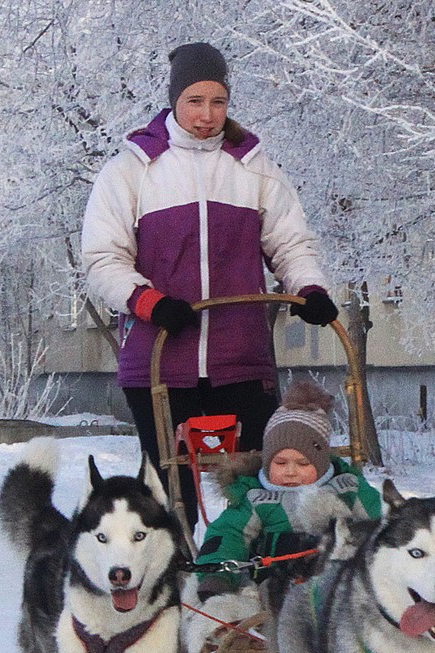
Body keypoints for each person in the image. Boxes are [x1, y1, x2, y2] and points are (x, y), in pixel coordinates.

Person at [81, 41, 339, 524]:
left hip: (239, 358)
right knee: (168, 490)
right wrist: (149, 303)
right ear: (174, 101)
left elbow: (290, 243)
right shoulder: (133, 169)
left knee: (255, 485)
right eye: (194, 102)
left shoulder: (253, 166)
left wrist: (310, 289)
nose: (206, 115)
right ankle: (175, 580)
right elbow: (102, 259)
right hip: (160, 359)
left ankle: (256, 581)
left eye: (217, 102)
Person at [194, 380, 382, 599]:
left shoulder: (347, 488)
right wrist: (217, 575)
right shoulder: (257, 498)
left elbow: (382, 521)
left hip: (338, 586)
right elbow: (228, 535)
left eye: (303, 464)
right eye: (280, 463)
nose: (291, 472)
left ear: (321, 463)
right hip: (273, 586)